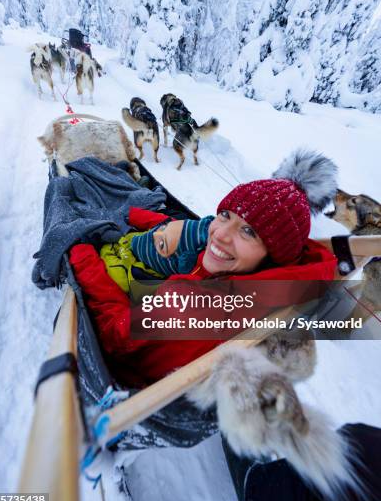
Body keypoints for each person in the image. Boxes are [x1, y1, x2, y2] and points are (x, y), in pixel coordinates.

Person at [69, 148, 338, 385]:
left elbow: (113, 336)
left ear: (273, 254)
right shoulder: (263, 281)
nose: (219, 234)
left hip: (134, 371)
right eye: (225, 215)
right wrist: (137, 217)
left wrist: (83, 256)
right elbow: (190, 229)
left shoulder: (190, 305)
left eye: (248, 231)